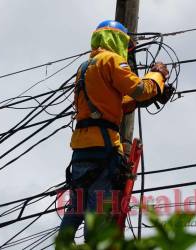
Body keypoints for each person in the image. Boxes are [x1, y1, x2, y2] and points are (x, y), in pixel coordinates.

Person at [58, 20, 172, 244]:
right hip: (104, 150)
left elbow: (111, 105)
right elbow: (140, 89)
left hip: (81, 152)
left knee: (75, 209)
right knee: (96, 216)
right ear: (118, 40)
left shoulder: (84, 67)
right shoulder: (112, 60)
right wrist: (157, 76)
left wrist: (143, 99)